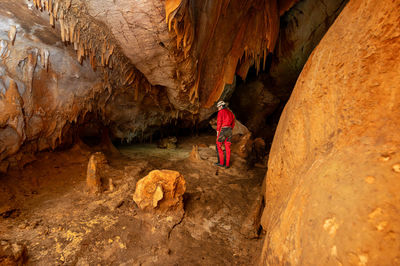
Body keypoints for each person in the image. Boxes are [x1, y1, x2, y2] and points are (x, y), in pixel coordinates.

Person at [215, 101, 235, 168]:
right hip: (229, 130)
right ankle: (227, 165)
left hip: (223, 130)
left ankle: (221, 163)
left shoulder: (221, 112)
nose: (218, 108)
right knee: (227, 147)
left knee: (218, 146)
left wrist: (218, 131)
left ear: (221, 106)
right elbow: (233, 122)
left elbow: (219, 122)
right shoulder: (230, 113)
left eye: (218, 107)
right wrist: (230, 128)